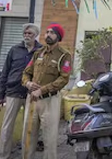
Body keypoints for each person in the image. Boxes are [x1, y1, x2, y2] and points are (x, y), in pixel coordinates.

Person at [21, 23, 72, 159]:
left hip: (50, 100)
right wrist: (28, 83)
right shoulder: (38, 53)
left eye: (52, 32)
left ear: (58, 36)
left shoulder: (64, 55)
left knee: (49, 138)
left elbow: (64, 79)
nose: (48, 34)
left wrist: (42, 90)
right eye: (47, 32)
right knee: (28, 136)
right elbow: (26, 72)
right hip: (32, 99)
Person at [0, 23, 43, 159]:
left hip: (31, 94)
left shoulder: (41, 51)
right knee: (7, 127)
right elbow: (5, 72)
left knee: (30, 128)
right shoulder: (14, 49)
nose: (27, 36)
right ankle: (3, 156)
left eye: (30, 34)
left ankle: (26, 156)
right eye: (25, 33)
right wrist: (0, 95)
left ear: (36, 35)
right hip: (13, 92)